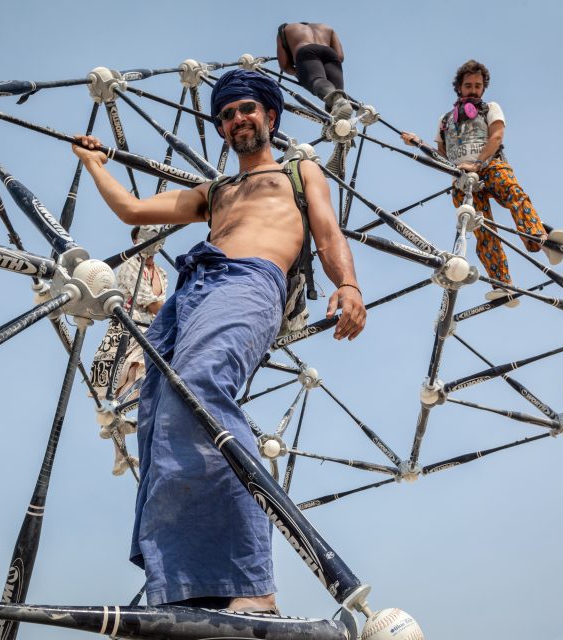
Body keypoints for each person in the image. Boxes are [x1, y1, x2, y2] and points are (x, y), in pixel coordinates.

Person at [72, 69, 365, 613]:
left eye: (246, 109)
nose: (237, 120)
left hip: (251, 281)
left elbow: (327, 230)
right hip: (195, 287)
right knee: (159, 415)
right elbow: (135, 210)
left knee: (204, 389)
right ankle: (188, 585)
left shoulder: (299, 172)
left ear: (270, 117)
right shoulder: (216, 192)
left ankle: (253, 586)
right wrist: (93, 164)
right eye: (227, 115)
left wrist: (347, 282)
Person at [401, 59, 562, 305]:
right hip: (462, 180)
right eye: (468, 85)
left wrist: (477, 164)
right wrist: (417, 143)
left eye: (478, 85)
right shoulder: (445, 120)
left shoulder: (490, 108)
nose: (474, 90)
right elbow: (441, 155)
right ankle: (502, 283)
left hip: (490, 165)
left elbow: (496, 136)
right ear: (459, 88)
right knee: (482, 230)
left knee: (513, 194)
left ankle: (538, 238)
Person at [90, 225, 168, 476]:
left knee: (139, 380)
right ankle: (117, 419)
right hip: (128, 331)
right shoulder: (130, 265)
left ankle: (119, 452)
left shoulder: (163, 273)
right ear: (136, 239)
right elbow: (154, 303)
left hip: (150, 332)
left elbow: (162, 303)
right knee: (129, 380)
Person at [276, 22, 352, 121]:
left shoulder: (285, 29)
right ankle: (341, 127)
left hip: (306, 51)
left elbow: (285, 65)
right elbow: (340, 57)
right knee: (335, 97)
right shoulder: (327, 28)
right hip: (330, 54)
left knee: (316, 80)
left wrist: (301, 74)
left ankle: (338, 101)